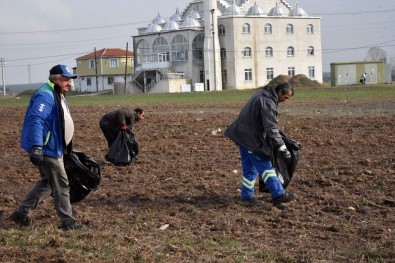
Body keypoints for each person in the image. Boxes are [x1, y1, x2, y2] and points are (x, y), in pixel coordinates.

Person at [9, 64, 83, 230]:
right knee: (62, 183)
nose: (69, 83)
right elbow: (36, 119)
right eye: (65, 79)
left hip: (53, 145)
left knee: (48, 182)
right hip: (46, 147)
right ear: (55, 80)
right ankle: (67, 222)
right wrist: (37, 146)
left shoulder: (56, 93)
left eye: (69, 79)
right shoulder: (46, 95)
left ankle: (21, 213)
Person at [224, 82, 296, 210]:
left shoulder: (261, 94)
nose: (285, 101)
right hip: (251, 138)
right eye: (286, 97)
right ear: (279, 92)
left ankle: (246, 197)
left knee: (250, 168)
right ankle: (279, 195)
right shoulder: (267, 101)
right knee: (265, 166)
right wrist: (282, 146)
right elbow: (271, 127)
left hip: (242, 135)